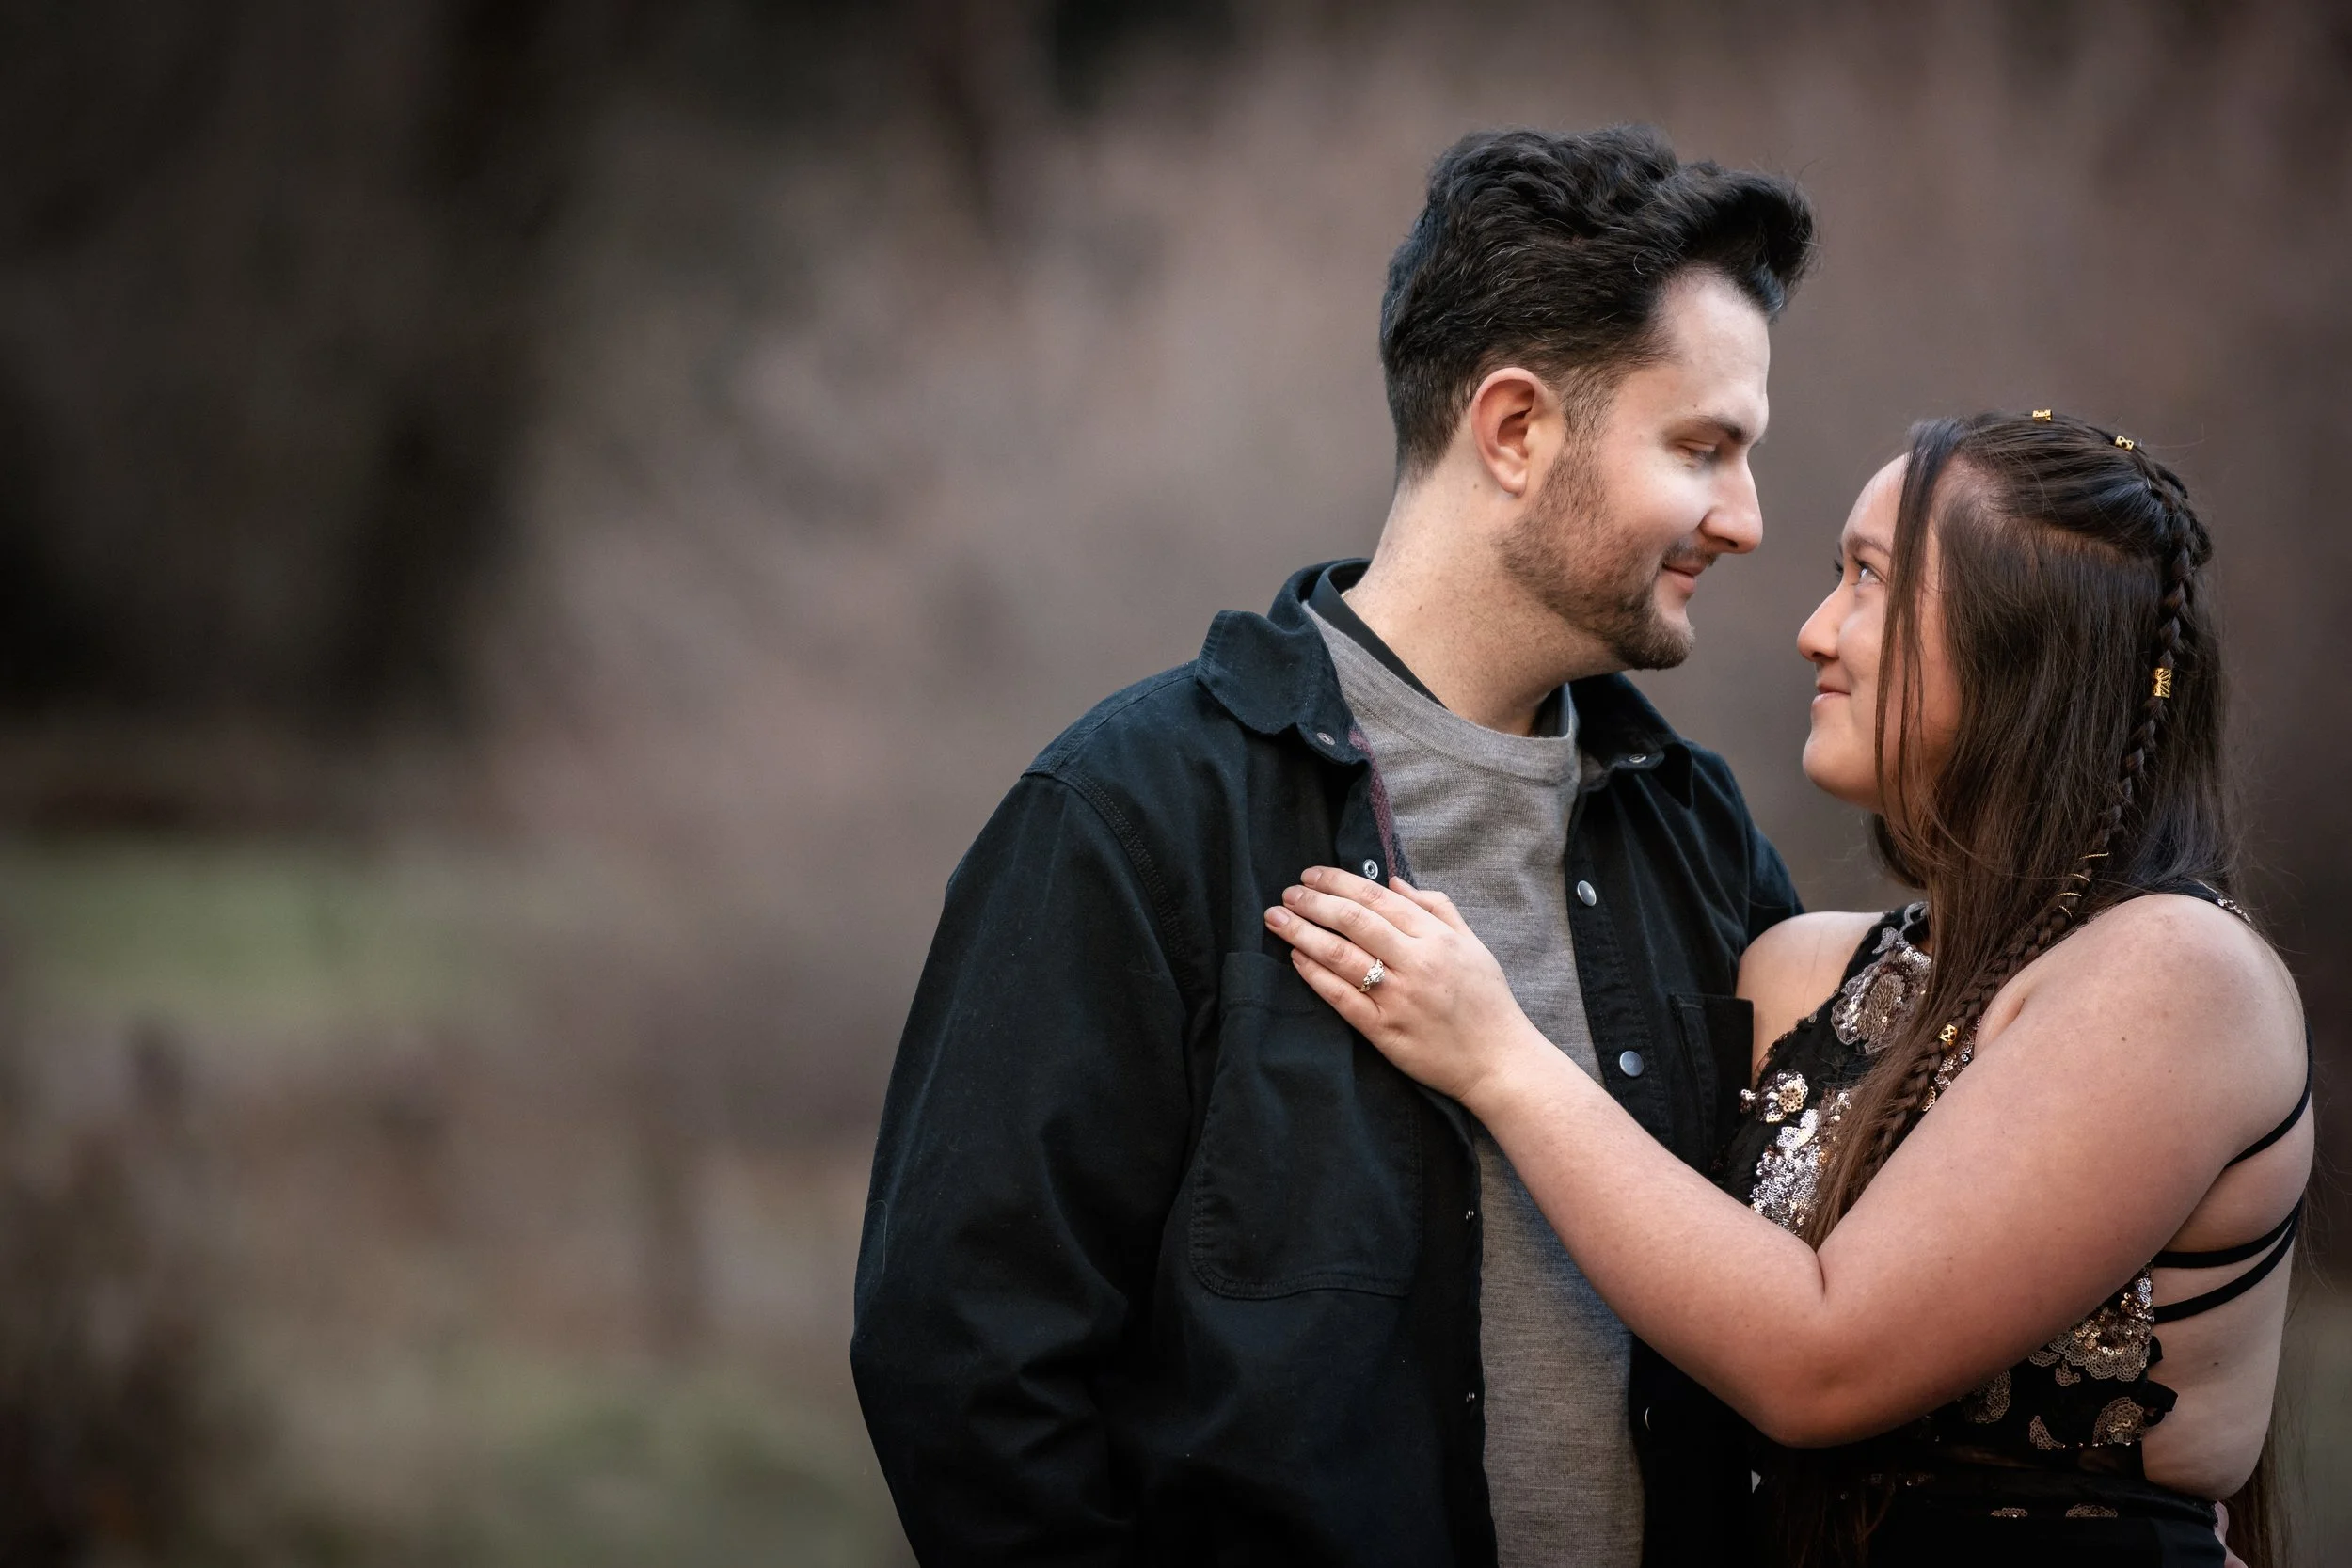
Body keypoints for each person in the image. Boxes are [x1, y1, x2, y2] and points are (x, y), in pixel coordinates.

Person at [850, 125, 1814, 1564]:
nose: (1744, 519)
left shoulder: (1701, 838)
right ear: (1514, 429)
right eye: (1702, 448)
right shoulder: (1130, 813)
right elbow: (966, 1364)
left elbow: (1814, 1307)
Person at [1263, 411, 2312, 1567]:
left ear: (2031, 645)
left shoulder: (2179, 975)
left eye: (1869, 579)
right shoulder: (1799, 970)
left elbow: (1820, 1360)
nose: (1817, 631)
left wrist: (1498, 1058)